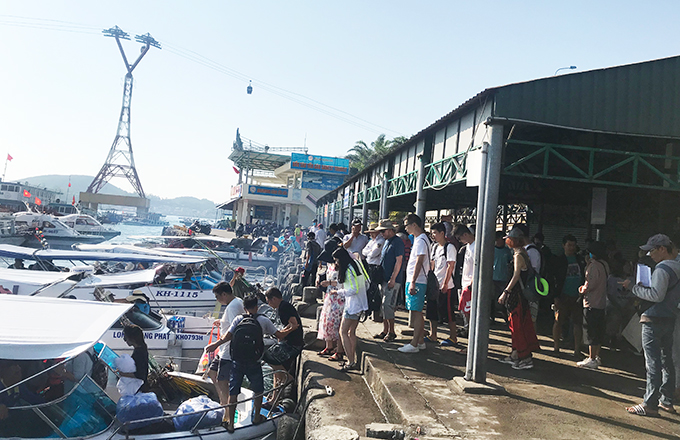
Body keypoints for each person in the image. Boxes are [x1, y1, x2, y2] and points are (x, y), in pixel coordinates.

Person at [622, 234, 680, 417]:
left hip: (653, 319)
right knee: (667, 361)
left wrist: (633, 287)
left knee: (653, 362)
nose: (649, 253)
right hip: (669, 318)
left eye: (652, 250)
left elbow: (656, 295)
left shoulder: (663, 268)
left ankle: (649, 404)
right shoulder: (678, 267)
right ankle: (667, 401)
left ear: (663, 249)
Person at [208, 295, 283, 432]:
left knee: (234, 391)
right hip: (254, 361)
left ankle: (230, 424)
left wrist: (216, 344)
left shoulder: (238, 319)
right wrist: (292, 328)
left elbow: (228, 336)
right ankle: (256, 417)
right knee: (258, 389)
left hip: (237, 360)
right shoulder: (263, 320)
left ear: (244, 308)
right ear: (257, 307)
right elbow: (279, 335)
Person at [498, 227, 540, 369]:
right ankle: (516, 354)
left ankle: (524, 357)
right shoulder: (524, 253)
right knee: (518, 325)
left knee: (516, 327)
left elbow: (516, 276)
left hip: (516, 296)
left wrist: (505, 292)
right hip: (520, 296)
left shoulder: (518, 256)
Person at [204, 282, 245, 415]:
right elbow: (232, 322)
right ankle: (223, 402)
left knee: (223, 381)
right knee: (211, 372)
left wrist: (216, 344)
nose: (217, 300)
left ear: (224, 294)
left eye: (217, 297)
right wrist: (221, 322)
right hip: (223, 350)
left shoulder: (233, 307)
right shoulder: (237, 301)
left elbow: (235, 329)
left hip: (228, 351)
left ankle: (227, 410)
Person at [330, 247, 368, 370]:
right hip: (361, 303)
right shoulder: (356, 263)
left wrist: (338, 291)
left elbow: (353, 290)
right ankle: (353, 360)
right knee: (351, 332)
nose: (336, 263)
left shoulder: (348, 270)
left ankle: (350, 361)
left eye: (337, 260)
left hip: (353, 305)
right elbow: (367, 281)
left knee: (343, 331)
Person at [399, 214, 430, 353]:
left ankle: (414, 343)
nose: (405, 228)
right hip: (415, 280)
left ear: (415, 225)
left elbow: (419, 261)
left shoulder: (421, 240)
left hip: (417, 280)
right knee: (416, 311)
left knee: (416, 312)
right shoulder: (419, 239)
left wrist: (413, 281)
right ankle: (420, 341)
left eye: (407, 225)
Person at [263, 288, 303, 397]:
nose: (269, 304)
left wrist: (282, 334)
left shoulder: (284, 307)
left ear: (274, 299)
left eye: (269, 301)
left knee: (268, 356)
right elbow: (288, 326)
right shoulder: (282, 306)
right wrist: (281, 333)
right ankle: (274, 398)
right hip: (288, 342)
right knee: (276, 367)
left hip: (293, 344)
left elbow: (294, 325)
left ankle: (288, 378)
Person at [577, 241, 609, 369]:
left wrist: (582, 289)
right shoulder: (605, 264)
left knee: (591, 331)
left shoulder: (593, 266)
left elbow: (590, 284)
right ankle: (597, 356)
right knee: (599, 330)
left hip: (591, 302)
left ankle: (591, 358)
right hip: (601, 302)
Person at [552, 234, 586, 358]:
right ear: (564, 246)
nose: (571, 248)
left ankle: (577, 349)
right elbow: (553, 279)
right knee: (558, 320)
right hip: (563, 295)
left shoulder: (580, 260)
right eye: (569, 245)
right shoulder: (559, 260)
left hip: (577, 297)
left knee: (577, 323)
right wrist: (555, 296)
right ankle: (556, 347)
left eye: (573, 245)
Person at [428, 222, 458, 346]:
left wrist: (445, 283)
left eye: (435, 233)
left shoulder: (449, 247)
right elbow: (432, 263)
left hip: (446, 285)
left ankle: (453, 337)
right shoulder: (434, 247)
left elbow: (451, 266)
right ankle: (433, 334)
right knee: (432, 311)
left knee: (448, 312)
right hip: (434, 285)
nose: (433, 235)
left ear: (442, 233)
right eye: (432, 233)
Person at [374, 219, 404, 342]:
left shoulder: (397, 242)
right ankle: (385, 329)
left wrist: (393, 278)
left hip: (393, 280)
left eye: (383, 231)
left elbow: (399, 261)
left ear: (390, 230)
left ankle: (391, 331)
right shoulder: (387, 242)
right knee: (383, 305)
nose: (381, 234)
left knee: (388, 305)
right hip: (384, 278)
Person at [317, 254, 344, 357]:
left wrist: (329, 283)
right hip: (330, 296)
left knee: (337, 323)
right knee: (327, 321)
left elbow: (342, 283)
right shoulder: (329, 265)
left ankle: (339, 350)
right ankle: (329, 346)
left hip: (339, 298)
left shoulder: (344, 267)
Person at [454, 224, 475, 331]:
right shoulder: (467, 246)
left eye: (460, 238)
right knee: (464, 310)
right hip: (464, 282)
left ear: (465, 234)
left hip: (470, 284)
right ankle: (467, 329)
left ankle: (470, 330)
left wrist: (471, 283)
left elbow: (477, 267)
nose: (460, 240)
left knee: (469, 310)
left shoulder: (476, 246)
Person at [118, 325, 149, 391]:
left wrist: (123, 374)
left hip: (139, 388)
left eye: (126, 338)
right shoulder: (142, 347)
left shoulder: (139, 353)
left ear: (132, 338)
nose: (124, 340)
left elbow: (140, 374)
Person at [492, 231, 513, 322]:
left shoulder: (507, 251)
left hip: (503, 279)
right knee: (491, 299)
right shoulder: (491, 250)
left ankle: (507, 318)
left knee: (503, 301)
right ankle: (491, 317)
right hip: (492, 278)